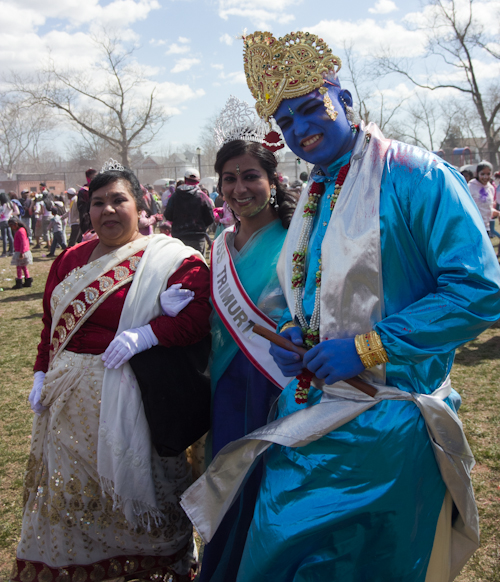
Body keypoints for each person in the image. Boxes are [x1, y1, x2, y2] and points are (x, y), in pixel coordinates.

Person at [182, 30, 500, 582]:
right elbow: (309, 291)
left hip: (387, 425)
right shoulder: (316, 190)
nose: (302, 131)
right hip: (307, 413)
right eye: (287, 123)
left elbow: (479, 290)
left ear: (345, 101)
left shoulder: (417, 176)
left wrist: (367, 348)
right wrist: (292, 331)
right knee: (274, 557)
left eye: (311, 110)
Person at [11, 161, 212, 582]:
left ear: (140, 206)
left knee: (138, 507)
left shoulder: (171, 259)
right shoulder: (69, 260)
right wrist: (40, 373)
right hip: (65, 407)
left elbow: (200, 317)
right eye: (98, 202)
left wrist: (152, 332)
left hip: (137, 405)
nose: (107, 210)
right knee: (68, 500)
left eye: (118, 199)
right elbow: (52, 326)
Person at [199, 98, 295, 582]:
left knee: (268, 489)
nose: (240, 188)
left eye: (251, 176)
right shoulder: (217, 246)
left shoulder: (299, 239)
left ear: (272, 180)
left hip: (277, 388)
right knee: (227, 483)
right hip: (224, 387)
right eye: (230, 179)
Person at [164, 168, 214, 253]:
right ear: (198, 181)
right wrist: (200, 226)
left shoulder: (175, 196)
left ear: (185, 179)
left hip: (179, 237)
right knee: (198, 264)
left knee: (181, 264)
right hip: (197, 237)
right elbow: (210, 218)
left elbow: (168, 215)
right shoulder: (202, 197)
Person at [468, 160, 498, 236]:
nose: (485, 177)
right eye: (482, 174)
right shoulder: (470, 187)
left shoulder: (490, 188)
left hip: (486, 228)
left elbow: (487, 207)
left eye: (488, 174)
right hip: (473, 227)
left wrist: (497, 213)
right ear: (477, 174)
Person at [8, 216, 33, 288]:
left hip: (21, 252)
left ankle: (19, 281)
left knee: (19, 267)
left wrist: (22, 253)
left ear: (16, 224)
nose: (11, 228)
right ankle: (27, 280)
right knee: (23, 267)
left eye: (11, 226)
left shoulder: (20, 231)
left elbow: (23, 242)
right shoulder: (21, 230)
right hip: (21, 251)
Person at [77, 166, 97, 234]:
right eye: (93, 177)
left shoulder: (99, 189)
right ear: (88, 178)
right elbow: (82, 209)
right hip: (88, 221)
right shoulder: (84, 191)